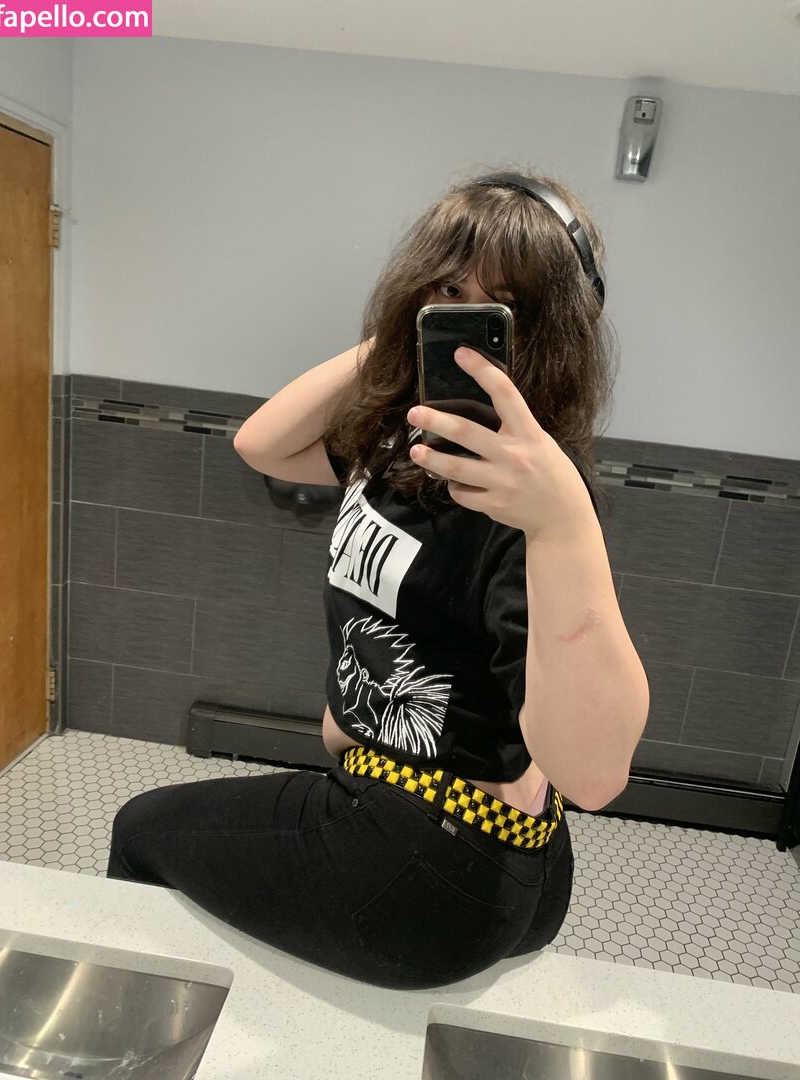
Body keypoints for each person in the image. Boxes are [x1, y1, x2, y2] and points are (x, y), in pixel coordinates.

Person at [107, 167, 649, 990]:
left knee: (140, 831)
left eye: (498, 309)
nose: (461, 322)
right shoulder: (405, 442)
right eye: (445, 290)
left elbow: (595, 775)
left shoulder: (527, 496)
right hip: (408, 826)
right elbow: (262, 445)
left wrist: (562, 521)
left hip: (437, 857)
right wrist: (406, 340)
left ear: (550, 333)